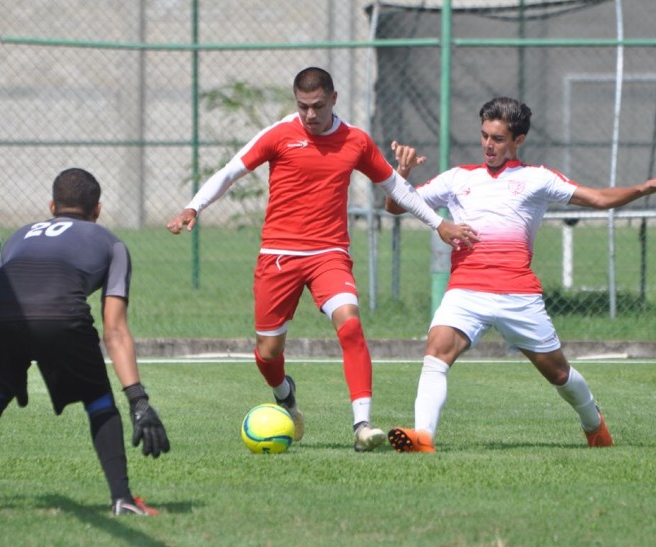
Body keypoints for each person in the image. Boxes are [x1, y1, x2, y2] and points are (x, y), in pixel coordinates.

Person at [167, 66, 477, 452]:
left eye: (317, 106)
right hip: (278, 256)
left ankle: (362, 425)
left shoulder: (355, 141)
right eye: (302, 107)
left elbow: (395, 186)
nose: (310, 115)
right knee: (268, 353)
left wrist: (438, 224)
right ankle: (285, 394)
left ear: (333, 98)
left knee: (350, 324)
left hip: (329, 254)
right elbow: (231, 171)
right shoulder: (280, 134)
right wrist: (193, 207)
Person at [385, 96, 656, 453]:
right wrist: (402, 173)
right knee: (436, 352)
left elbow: (599, 198)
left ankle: (593, 423)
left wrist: (643, 189)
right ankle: (423, 437)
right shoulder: (457, 178)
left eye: (497, 139)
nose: (488, 145)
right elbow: (396, 205)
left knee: (559, 374)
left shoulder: (537, 179)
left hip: (518, 295)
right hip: (466, 290)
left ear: (517, 140)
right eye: (484, 136)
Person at [0, 168, 170, 515]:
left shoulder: (17, 237)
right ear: (98, 210)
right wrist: (138, 400)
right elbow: (115, 330)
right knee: (98, 399)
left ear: (51, 205)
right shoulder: (111, 243)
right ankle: (122, 499)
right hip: (60, 315)